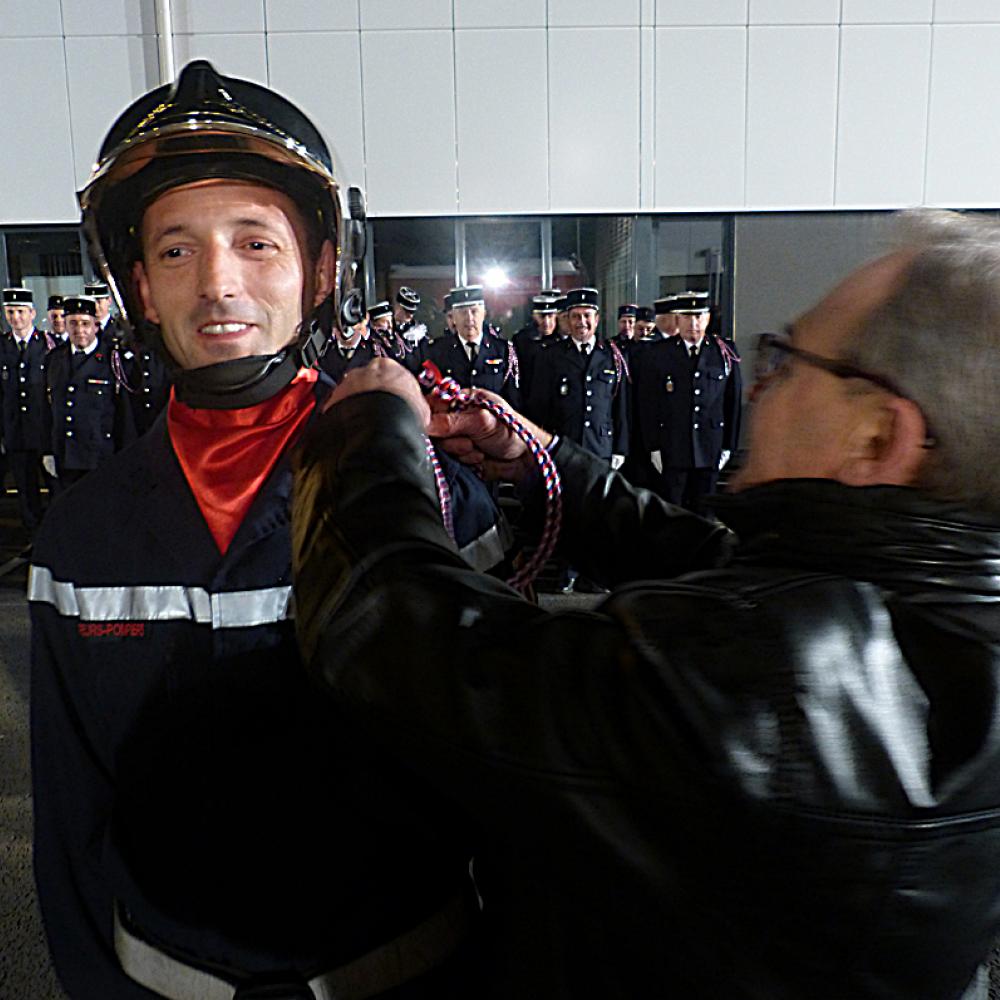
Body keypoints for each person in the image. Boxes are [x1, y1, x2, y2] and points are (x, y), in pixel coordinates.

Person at [291, 208, 1000, 999]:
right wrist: (545, 461)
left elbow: (396, 633)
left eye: (790, 361)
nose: (760, 383)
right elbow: (718, 562)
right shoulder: (941, 620)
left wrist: (369, 431)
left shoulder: (782, 685)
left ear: (879, 437)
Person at [28, 60, 499, 1000]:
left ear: (323, 268)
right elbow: (69, 819)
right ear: (138, 288)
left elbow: (502, 783)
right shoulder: (79, 535)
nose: (217, 284)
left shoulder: (435, 498)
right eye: (175, 251)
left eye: (255, 243)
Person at [633, 290, 741, 514]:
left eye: (699, 316)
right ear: (677, 320)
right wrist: (652, 446)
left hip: (710, 446)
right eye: (687, 317)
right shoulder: (658, 353)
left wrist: (729, 445)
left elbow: (732, 402)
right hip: (673, 447)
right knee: (673, 512)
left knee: (705, 513)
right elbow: (648, 404)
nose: (694, 323)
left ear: (708, 318)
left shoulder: (724, 352)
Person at [43, 295, 135, 492]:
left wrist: (126, 455)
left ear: (96, 326)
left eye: (85, 323)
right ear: (65, 326)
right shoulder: (54, 359)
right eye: (73, 323)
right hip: (65, 456)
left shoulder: (112, 360)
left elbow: (124, 414)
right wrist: (48, 451)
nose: (79, 330)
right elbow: (46, 409)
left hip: (100, 457)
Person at [1, 286, 54, 536]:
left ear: (32, 313)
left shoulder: (47, 345)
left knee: (54, 488)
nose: (16, 318)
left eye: (21, 311)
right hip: (15, 433)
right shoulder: (3, 347)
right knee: (25, 490)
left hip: (43, 432)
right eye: (10, 312)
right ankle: (33, 535)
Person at [425, 285, 520, 409]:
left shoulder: (503, 350)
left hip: (493, 424)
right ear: (453, 317)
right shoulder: (437, 350)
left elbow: (513, 399)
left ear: (484, 314)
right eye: (463, 313)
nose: (469, 318)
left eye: (474, 311)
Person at [510, 291, 559, 400]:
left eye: (550, 316)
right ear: (534, 316)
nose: (546, 322)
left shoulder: (562, 340)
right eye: (542, 316)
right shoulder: (522, 341)